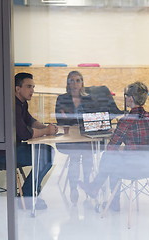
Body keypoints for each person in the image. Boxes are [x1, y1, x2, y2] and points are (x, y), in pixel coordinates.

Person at [79, 81, 149, 211]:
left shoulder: (126, 121)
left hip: (132, 167)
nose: (125, 97)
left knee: (109, 156)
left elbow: (111, 147)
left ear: (131, 99)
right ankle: (100, 191)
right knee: (115, 158)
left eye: (127, 95)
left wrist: (117, 133)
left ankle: (103, 193)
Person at [0, 72, 58, 210]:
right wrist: (46, 132)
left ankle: (28, 195)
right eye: (29, 86)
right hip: (3, 153)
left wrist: (46, 127)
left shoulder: (21, 103)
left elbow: (30, 121)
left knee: (47, 152)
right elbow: (24, 133)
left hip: (13, 147)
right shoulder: (12, 106)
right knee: (46, 155)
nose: (32, 90)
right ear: (17, 88)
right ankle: (27, 197)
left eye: (33, 87)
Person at [55, 71, 96, 204]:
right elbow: (61, 120)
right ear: (67, 83)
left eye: (78, 80)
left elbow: (92, 119)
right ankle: (73, 188)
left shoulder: (89, 99)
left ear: (82, 83)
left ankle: (86, 182)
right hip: (70, 137)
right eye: (71, 80)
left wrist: (71, 119)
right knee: (75, 156)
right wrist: (73, 121)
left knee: (88, 154)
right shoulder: (62, 98)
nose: (75, 83)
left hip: (86, 136)